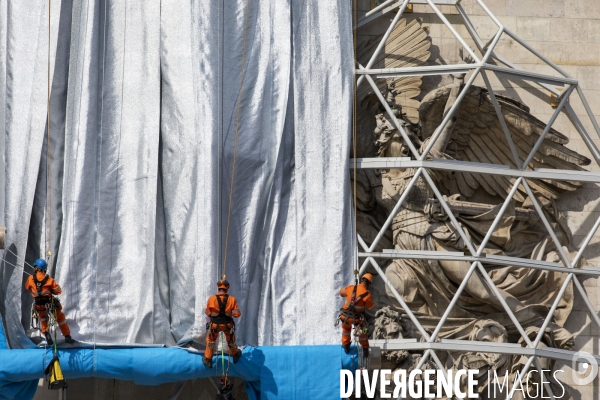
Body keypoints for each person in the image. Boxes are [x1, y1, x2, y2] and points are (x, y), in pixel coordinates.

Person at [25, 259, 74, 345]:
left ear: (37, 268)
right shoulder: (49, 280)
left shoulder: (30, 278)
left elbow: (28, 288)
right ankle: (67, 336)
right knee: (60, 317)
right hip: (49, 304)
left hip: (39, 306)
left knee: (43, 318)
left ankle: (46, 333)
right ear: (44, 269)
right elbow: (58, 291)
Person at [203, 279, 242, 368]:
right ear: (227, 288)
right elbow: (237, 314)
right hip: (227, 325)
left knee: (211, 342)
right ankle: (235, 354)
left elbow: (207, 312)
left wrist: (214, 315)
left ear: (218, 288)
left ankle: (208, 359)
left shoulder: (211, 299)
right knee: (230, 341)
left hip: (214, 326)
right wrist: (228, 313)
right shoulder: (232, 300)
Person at [338, 273, 375, 353]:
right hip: (357, 320)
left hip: (345, 316)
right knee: (363, 332)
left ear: (361, 280)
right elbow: (371, 308)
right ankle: (365, 348)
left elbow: (341, 292)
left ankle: (346, 346)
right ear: (369, 284)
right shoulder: (367, 295)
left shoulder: (351, 287)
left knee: (346, 329)